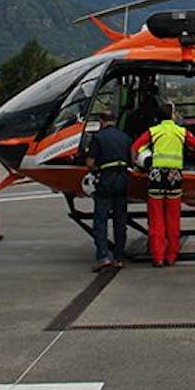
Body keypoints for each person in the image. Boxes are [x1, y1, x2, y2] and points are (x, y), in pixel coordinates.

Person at [130, 102, 195, 267]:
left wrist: (137, 165)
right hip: (174, 177)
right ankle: (171, 255)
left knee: (156, 218)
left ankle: (157, 256)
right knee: (173, 218)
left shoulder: (153, 131)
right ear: (172, 115)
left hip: (156, 176)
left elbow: (135, 147)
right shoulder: (181, 132)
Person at [84, 110, 133, 272]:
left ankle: (103, 257)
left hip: (106, 179)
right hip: (123, 179)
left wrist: (97, 169)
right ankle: (119, 258)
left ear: (101, 121)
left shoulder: (98, 138)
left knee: (101, 220)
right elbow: (132, 159)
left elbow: (90, 162)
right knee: (120, 220)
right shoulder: (125, 137)